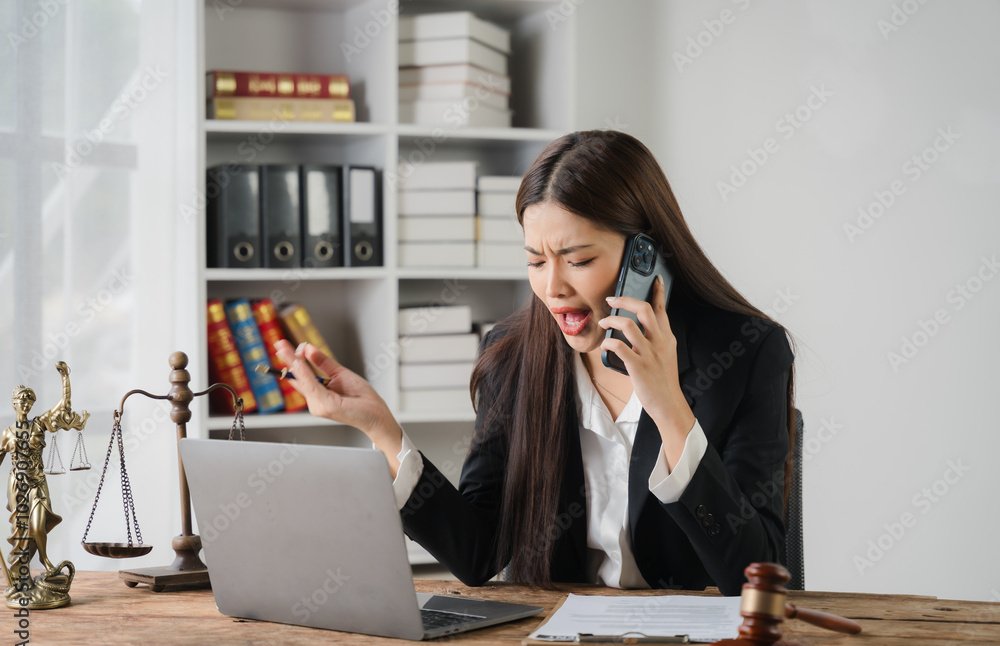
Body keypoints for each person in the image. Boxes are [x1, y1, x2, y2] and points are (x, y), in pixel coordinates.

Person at [275, 130, 794, 596]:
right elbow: (479, 553)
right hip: (555, 643)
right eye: (535, 261)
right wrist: (384, 431)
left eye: (579, 260)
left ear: (646, 256)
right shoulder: (513, 356)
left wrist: (668, 406)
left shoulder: (748, 352)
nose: (553, 288)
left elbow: (755, 572)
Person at [0, 362, 88, 603]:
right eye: (22, 399)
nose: (26, 403)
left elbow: (63, 406)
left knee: (38, 527)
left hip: (37, 484)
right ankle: (21, 581)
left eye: (30, 400)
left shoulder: (38, 424)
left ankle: (46, 562)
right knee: (21, 533)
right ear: (14, 403)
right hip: (16, 486)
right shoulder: (7, 433)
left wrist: (65, 379)